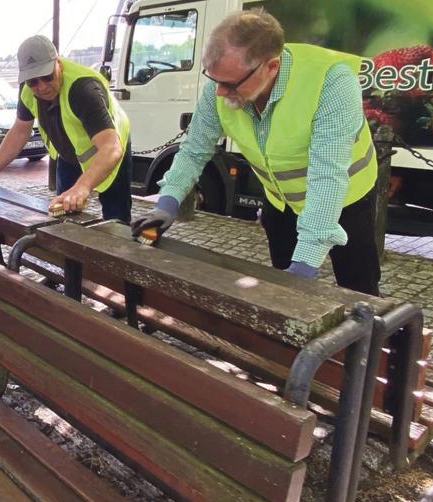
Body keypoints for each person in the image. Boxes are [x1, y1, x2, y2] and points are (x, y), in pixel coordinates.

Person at [131, 10, 382, 296]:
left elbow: (328, 178)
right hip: (281, 199)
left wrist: (305, 264)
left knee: (358, 287)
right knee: (284, 286)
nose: (219, 94)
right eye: (215, 81)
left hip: (347, 196)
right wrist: (167, 204)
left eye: (230, 84)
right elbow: (193, 150)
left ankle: (370, 339)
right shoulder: (222, 85)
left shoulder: (332, 81)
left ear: (271, 67)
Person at [0, 35, 133, 223]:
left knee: (116, 220)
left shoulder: (83, 88)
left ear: (58, 63)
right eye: (32, 81)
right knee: (63, 216)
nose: (41, 87)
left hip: (110, 150)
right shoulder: (27, 90)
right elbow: (19, 131)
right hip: (69, 154)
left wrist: (82, 187)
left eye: (47, 77)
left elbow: (111, 148)